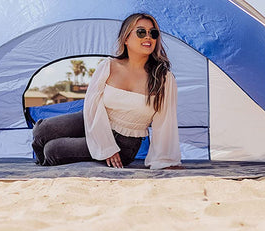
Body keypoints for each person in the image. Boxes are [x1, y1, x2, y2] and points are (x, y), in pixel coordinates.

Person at [32, 13, 181, 170]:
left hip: (123, 143)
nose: (148, 37)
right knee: (42, 130)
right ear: (126, 38)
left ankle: (53, 160)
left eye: (153, 33)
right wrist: (103, 144)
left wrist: (164, 160)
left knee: (53, 150)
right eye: (141, 32)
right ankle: (44, 163)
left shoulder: (163, 78)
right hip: (95, 119)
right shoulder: (108, 66)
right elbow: (92, 104)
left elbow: (165, 122)